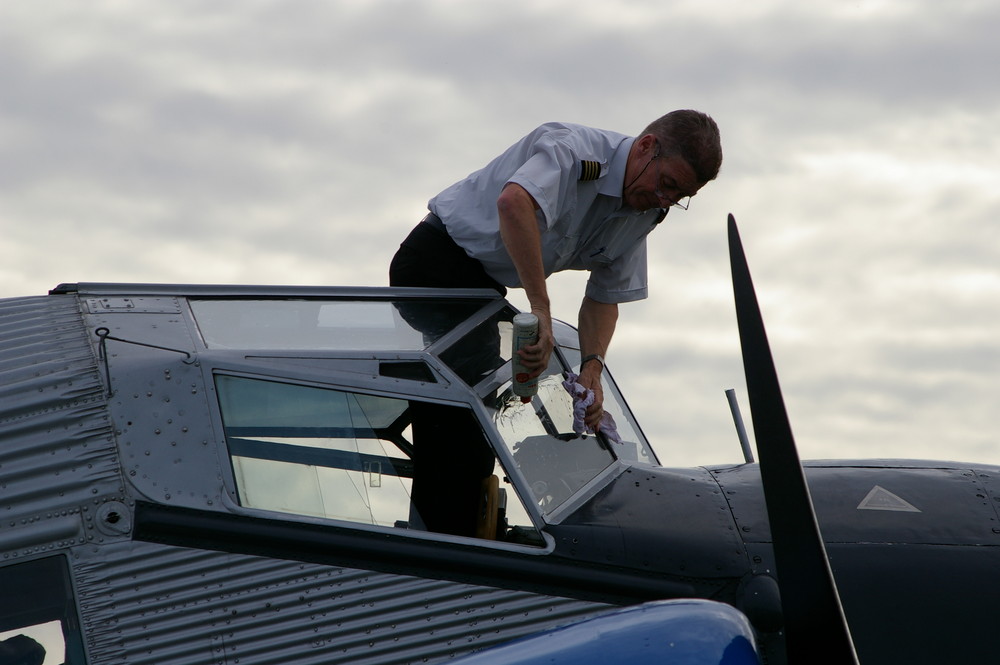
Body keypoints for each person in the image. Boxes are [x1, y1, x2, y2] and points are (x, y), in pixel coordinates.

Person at [391, 110, 722, 432]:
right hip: (435, 262)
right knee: (462, 423)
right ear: (646, 146)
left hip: (483, 288)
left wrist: (592, 369)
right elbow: (513, 203)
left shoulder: (644, 211)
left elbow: (605, 297)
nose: (665, 200)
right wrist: (540, 311)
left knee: (470, 422)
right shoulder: (574, 152)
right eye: (666, 184)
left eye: (680, 196)